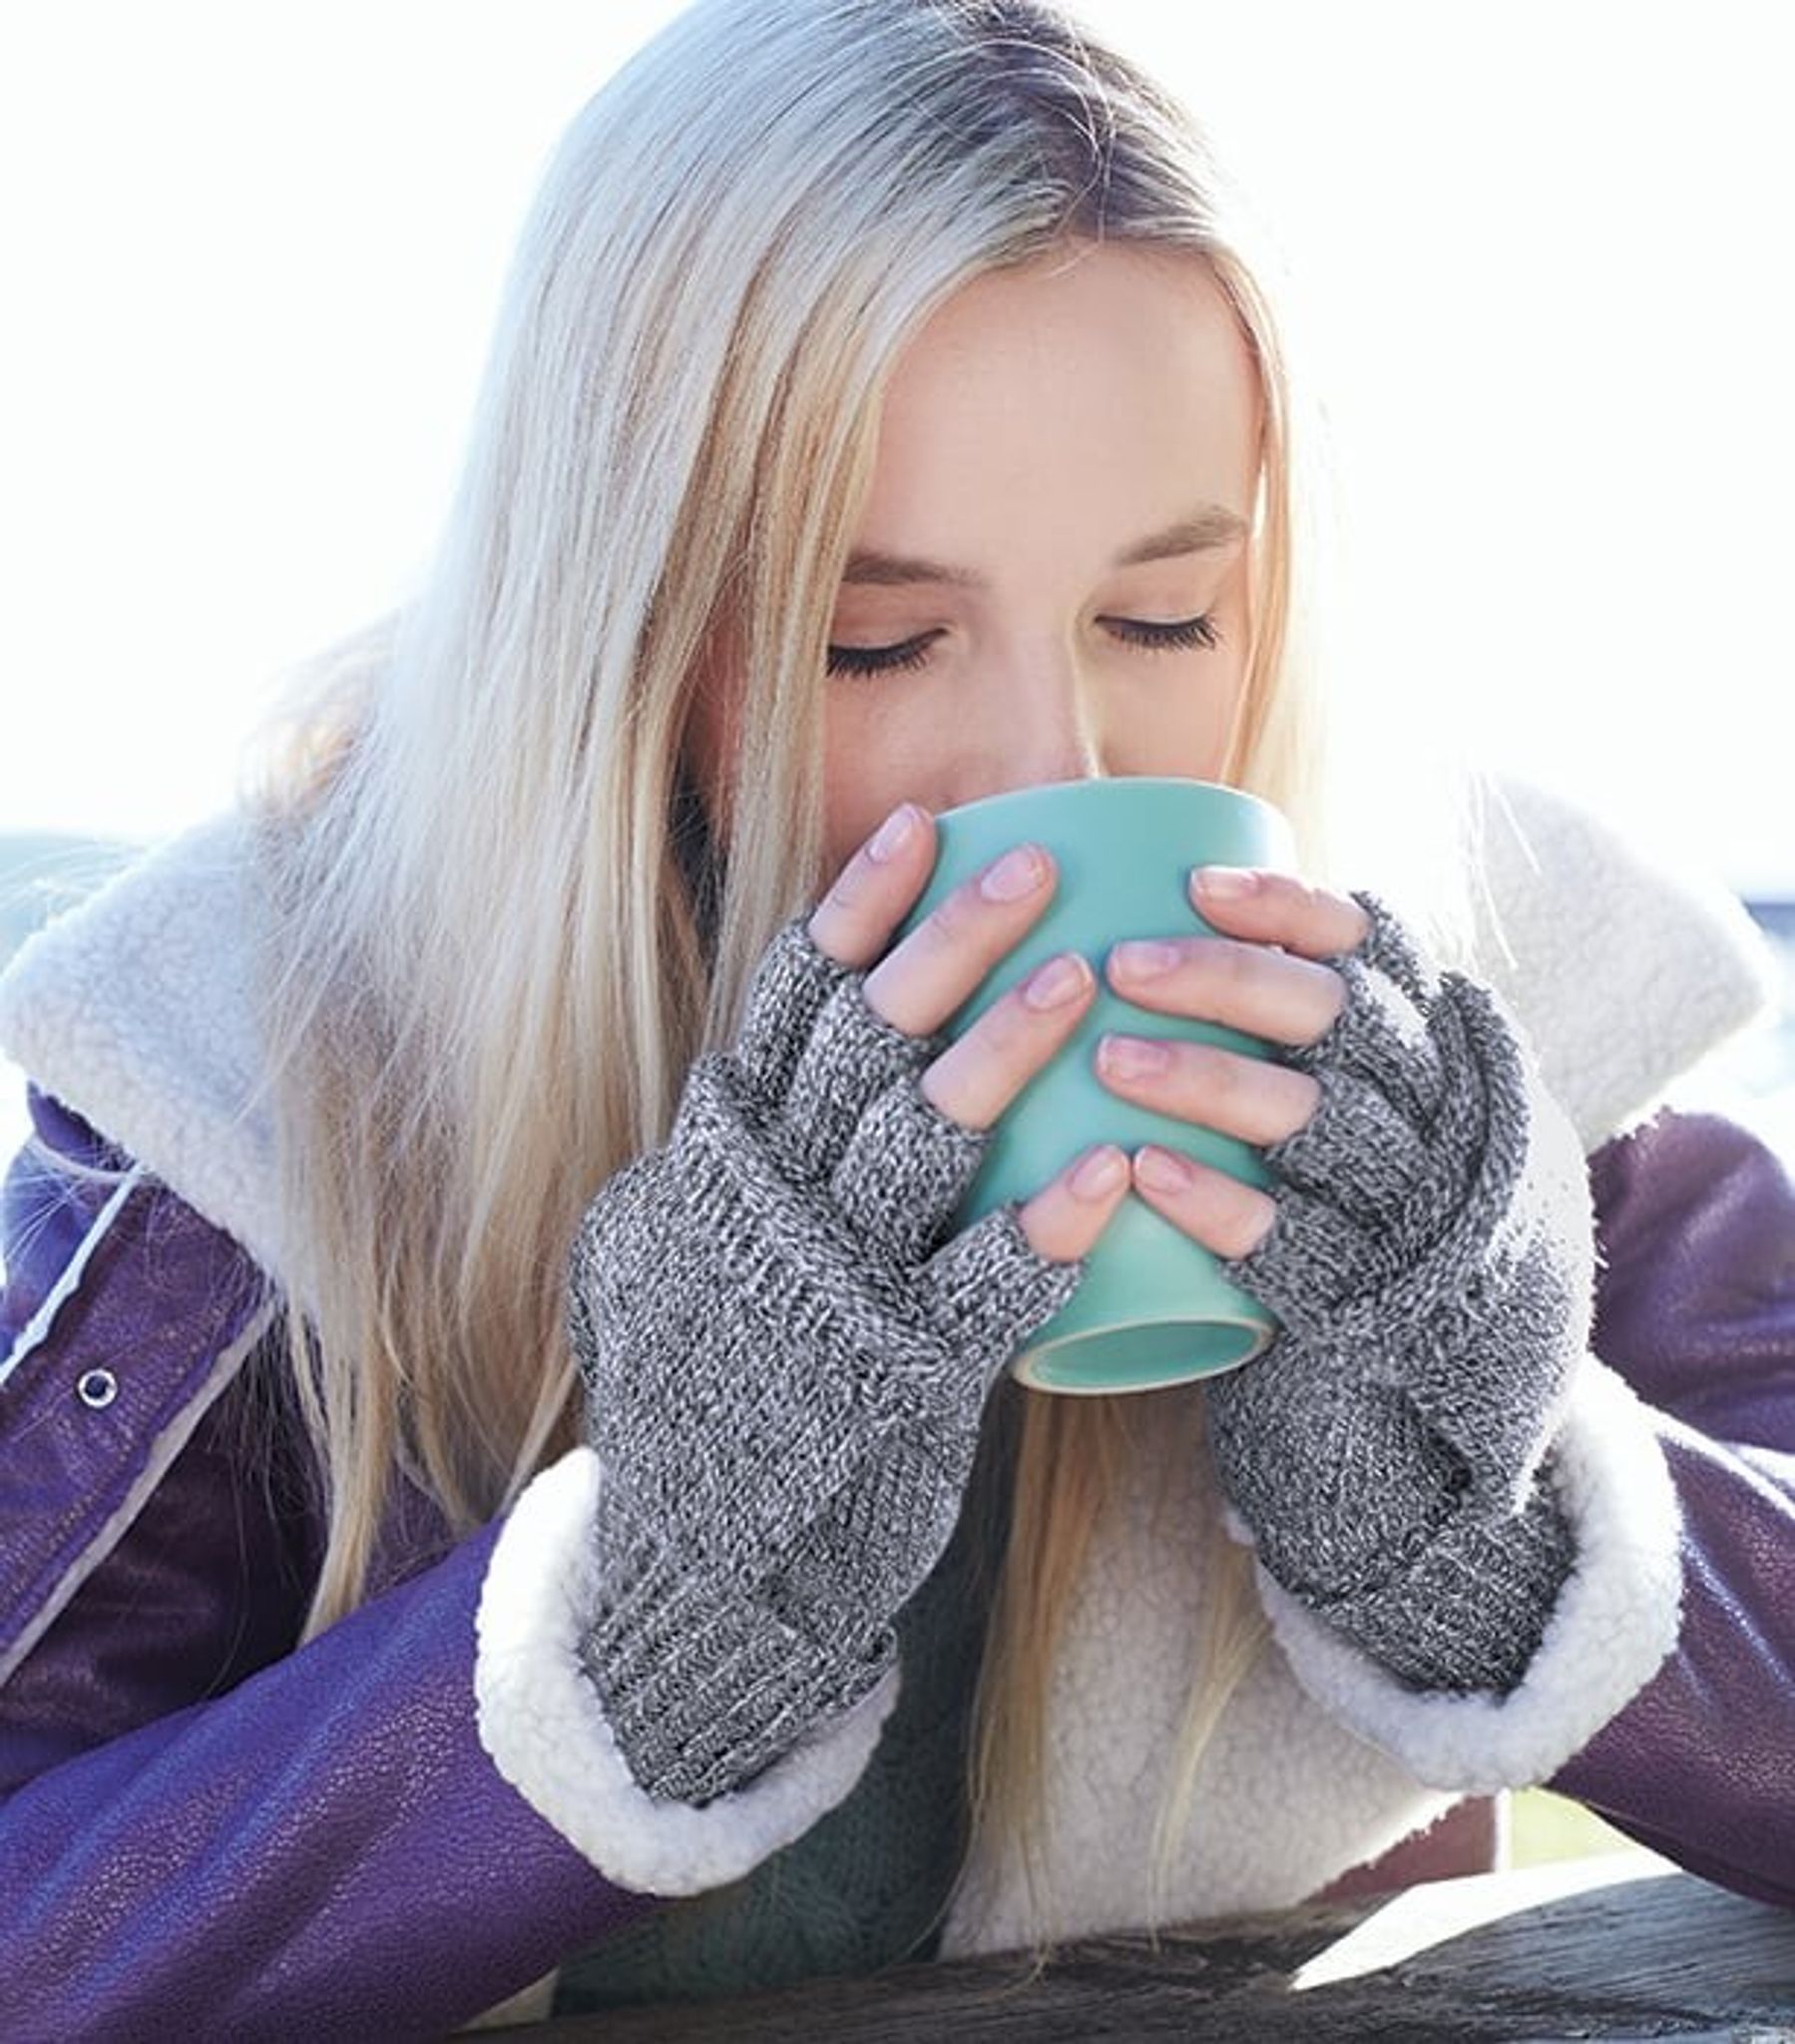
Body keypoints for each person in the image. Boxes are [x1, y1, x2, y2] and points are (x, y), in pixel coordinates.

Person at [1, 0, 1790, 2034]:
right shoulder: (271, 1064)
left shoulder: (1470, 1017)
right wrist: (646, 1636)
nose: (1054, 765)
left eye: (1163, 616)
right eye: (877, 640)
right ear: (619, 634)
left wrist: (1497, 1526)